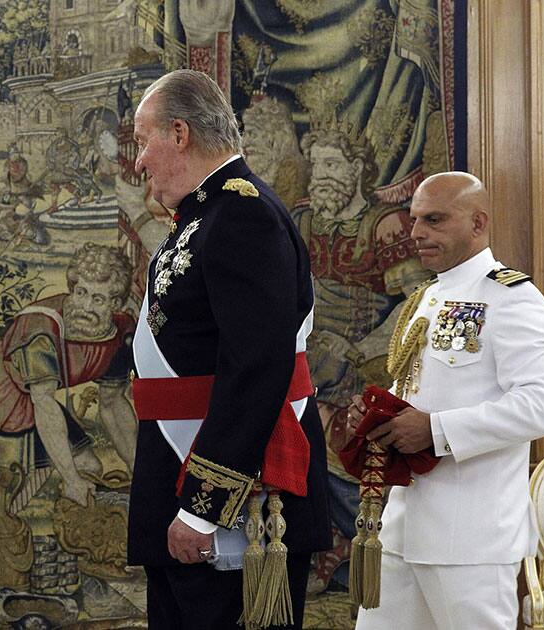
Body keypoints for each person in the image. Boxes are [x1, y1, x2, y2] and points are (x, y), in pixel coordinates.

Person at [126, 69, 331, 629]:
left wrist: (203, 507)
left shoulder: (242, 214)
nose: (138, 161)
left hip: (228, 498)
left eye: (144, 142)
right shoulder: (207, 212)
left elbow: (255, 369)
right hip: (181, 469)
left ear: (179, 132)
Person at [351, 172, 544, 629]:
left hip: (470, 540)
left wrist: (436, 431)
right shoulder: (428, 297)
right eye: (415, 219)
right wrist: (380, 417)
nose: (417, 233)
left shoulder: (511, 297)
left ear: (478, 222)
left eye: (435, 220)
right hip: (402, 527)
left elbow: (542, 402)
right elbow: (417, 391)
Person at [293, 126, 431, 592]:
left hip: (367, 363)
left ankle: (374, 553)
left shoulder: (385, 225)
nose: (321, 176)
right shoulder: (305, 222)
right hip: (312, 364)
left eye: (332, 165)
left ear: (356, 169)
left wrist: (359, 351)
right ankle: (326, 546)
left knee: (348, 445)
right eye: (316, 167)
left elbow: (417, 304)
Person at [0, 243, 137, 507]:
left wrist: (138, 467)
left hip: (34, 394)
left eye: (97, 299)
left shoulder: (119, 334)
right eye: (81, 292)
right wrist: (71, 480)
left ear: (115, 304)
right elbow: (44, 403)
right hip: (1, 391)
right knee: (13, 479)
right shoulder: (41, 330)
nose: (85, 306)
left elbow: (112, 403)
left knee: (88, 466)